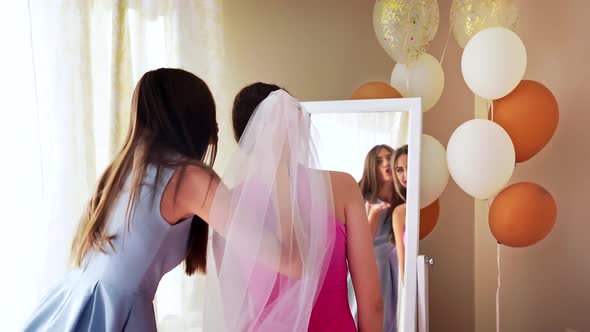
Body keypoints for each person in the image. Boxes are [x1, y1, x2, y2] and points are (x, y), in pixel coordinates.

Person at [23, 68, 222, 331]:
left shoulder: (126, 170)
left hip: (70, 305)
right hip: (112, 314)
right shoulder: (188, 179)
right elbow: (269, 251)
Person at [203, 83, 383, 332]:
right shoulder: (343, 187)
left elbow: (238, 316)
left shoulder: (227, 208)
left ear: (244, 138)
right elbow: (372, 304)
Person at [349, 144, 401, 332]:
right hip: (369, 261)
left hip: (394, 262)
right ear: (372, 167)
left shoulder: (402, 199)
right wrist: (372, 217)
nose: (386, 163)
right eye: (379, 161)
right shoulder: (362, 197)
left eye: (389, 158)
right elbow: (359, 245)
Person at [391, 145, 408, 284]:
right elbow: (403, 267)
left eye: (410, 167)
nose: (405, 175)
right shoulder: (399, 213)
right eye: (399, 170)